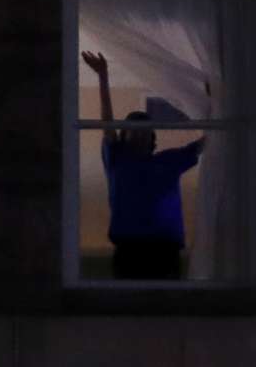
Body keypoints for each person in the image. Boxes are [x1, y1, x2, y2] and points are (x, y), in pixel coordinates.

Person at [81, 49, 206, 280]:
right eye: (133, 130)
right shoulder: (118, 158)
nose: (139, 135)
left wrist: (215, 104)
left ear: (152, 138)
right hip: (129, 250)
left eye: (144, 130)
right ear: (123, 136)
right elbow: (107, 123)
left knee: (166, 312)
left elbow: (206, 143)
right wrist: (103, 76)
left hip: (166, 251)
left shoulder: (168, 160)